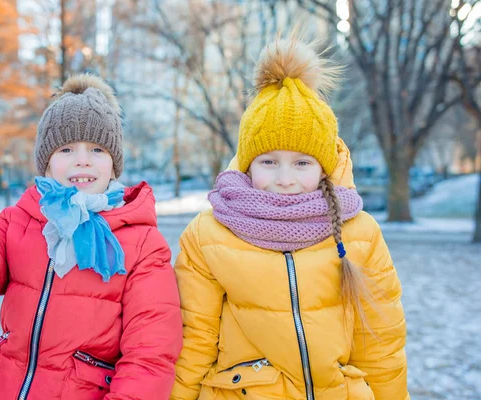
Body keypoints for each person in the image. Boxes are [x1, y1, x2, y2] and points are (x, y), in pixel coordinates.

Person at [0, 74, 183, 400]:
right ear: (47, 164)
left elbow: (150, 354)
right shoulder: (21, 221)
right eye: (66, 148)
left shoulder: (142, 243)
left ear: (113, 164)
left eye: (97, 148)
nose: (82, 158)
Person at [171, 33, 409, 400]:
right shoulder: (209, 235)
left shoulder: (359, 233)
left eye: (302, 163)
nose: (285, 180)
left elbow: (381, 344)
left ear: (324, 167)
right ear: (249, 165)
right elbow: (193, 340)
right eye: (269, 162)